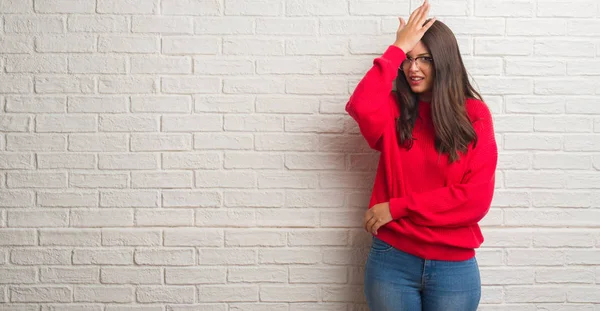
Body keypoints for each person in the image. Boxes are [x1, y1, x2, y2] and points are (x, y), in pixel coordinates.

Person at [345, 0, 498, 310]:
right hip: (392, 261)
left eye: (424, 58)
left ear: (444, 61)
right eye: (408, 59)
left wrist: (396, 208)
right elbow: (360, 106)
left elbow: (475, 200)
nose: (412, 68)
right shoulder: (394, 109)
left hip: (454, 267)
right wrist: (396, 48)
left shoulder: (474, 115)